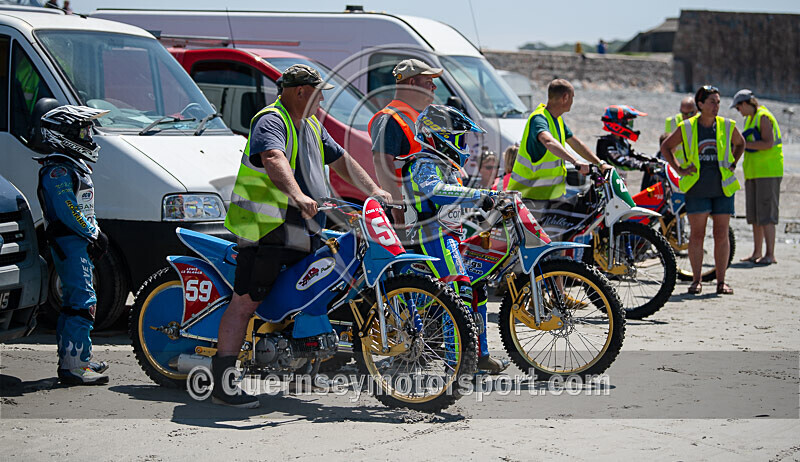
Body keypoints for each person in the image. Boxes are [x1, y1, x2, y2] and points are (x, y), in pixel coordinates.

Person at [220, 64, 391, 408]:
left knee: (317, 283)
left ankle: (300, 361)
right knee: (246, 302)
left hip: (301, 227)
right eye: (319, 92)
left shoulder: (311, 124)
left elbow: (341, 160)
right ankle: (222, 383)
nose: (323, 99)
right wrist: (298, 195)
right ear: (301, 92)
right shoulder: (272, 120)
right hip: (265, 228)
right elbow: (273, 157)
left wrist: (374, 189)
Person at [401, 105, 508, 374]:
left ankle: (480, 355)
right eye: (459, 138)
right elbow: (436, 192)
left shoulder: (443, 165)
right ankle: (455, 362)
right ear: (440, 137)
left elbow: (455, 199)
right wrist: (479, 195)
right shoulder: (422, 163)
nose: (464, 145)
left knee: (477, 288)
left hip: (448, 237)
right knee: (457, 293)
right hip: (429, 238)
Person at [34, 102, 111, 385]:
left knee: (79, 300)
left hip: (78, 240)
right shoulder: (56, 170)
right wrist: (93, 234)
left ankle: (79, 358)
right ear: (64, 134)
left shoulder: (71, 165)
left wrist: (94, 233)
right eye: (83, 130)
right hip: (69, 241)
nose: (89, 136)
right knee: (81, 302)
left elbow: (82, 208)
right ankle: (73, 366)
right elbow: (68, 209)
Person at [661, 85, 745, 295]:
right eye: (712, 102)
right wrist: (679, 169)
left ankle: (721, 282)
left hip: (722, 188)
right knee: (697, 235)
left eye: (718, 102)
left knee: (721, 234)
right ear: (700, 105)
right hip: (697, 188)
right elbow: (666, 147)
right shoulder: (688, 127)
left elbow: (740, 143)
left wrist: (733, 164)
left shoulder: (726, 125)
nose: (716, 106)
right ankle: (696, 280)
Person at [508, 78, 611, 208]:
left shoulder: (557, 120)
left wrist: (600, 163)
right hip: (529, 198)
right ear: (565, 97)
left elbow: (576, 143)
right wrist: (575, 162)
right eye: (572, 97)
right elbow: (548, 141)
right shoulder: (539, 118)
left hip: (551, 197)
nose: (572, 101)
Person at [369, 58, 442, 225]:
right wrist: (398, 209)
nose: (434, 87)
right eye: (428, 82)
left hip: (423, 209)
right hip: (407, 213)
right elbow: (382, 163)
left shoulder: (416, 117)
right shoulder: (389, 118)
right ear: (411, 83)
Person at [731, 89, 784, 265]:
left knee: (767, 213)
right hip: (754, 172)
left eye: (739, 107)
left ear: (746, 103)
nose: (739, 111)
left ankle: (770, 254)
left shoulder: (763, 116)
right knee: (755, 215)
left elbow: (768, 143)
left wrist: (745, 145)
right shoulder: (750, 119)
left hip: (768, 172)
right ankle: (757, 252)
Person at [596, 105, 657, 182]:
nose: (630, 126)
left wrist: (652, 160)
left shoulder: (623, 142)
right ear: (617, 123)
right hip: (604, 185)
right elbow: (619, 160)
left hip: (619, 184)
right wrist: (641, 165)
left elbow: (633, 155)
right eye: (628, 122)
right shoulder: (605, 143)